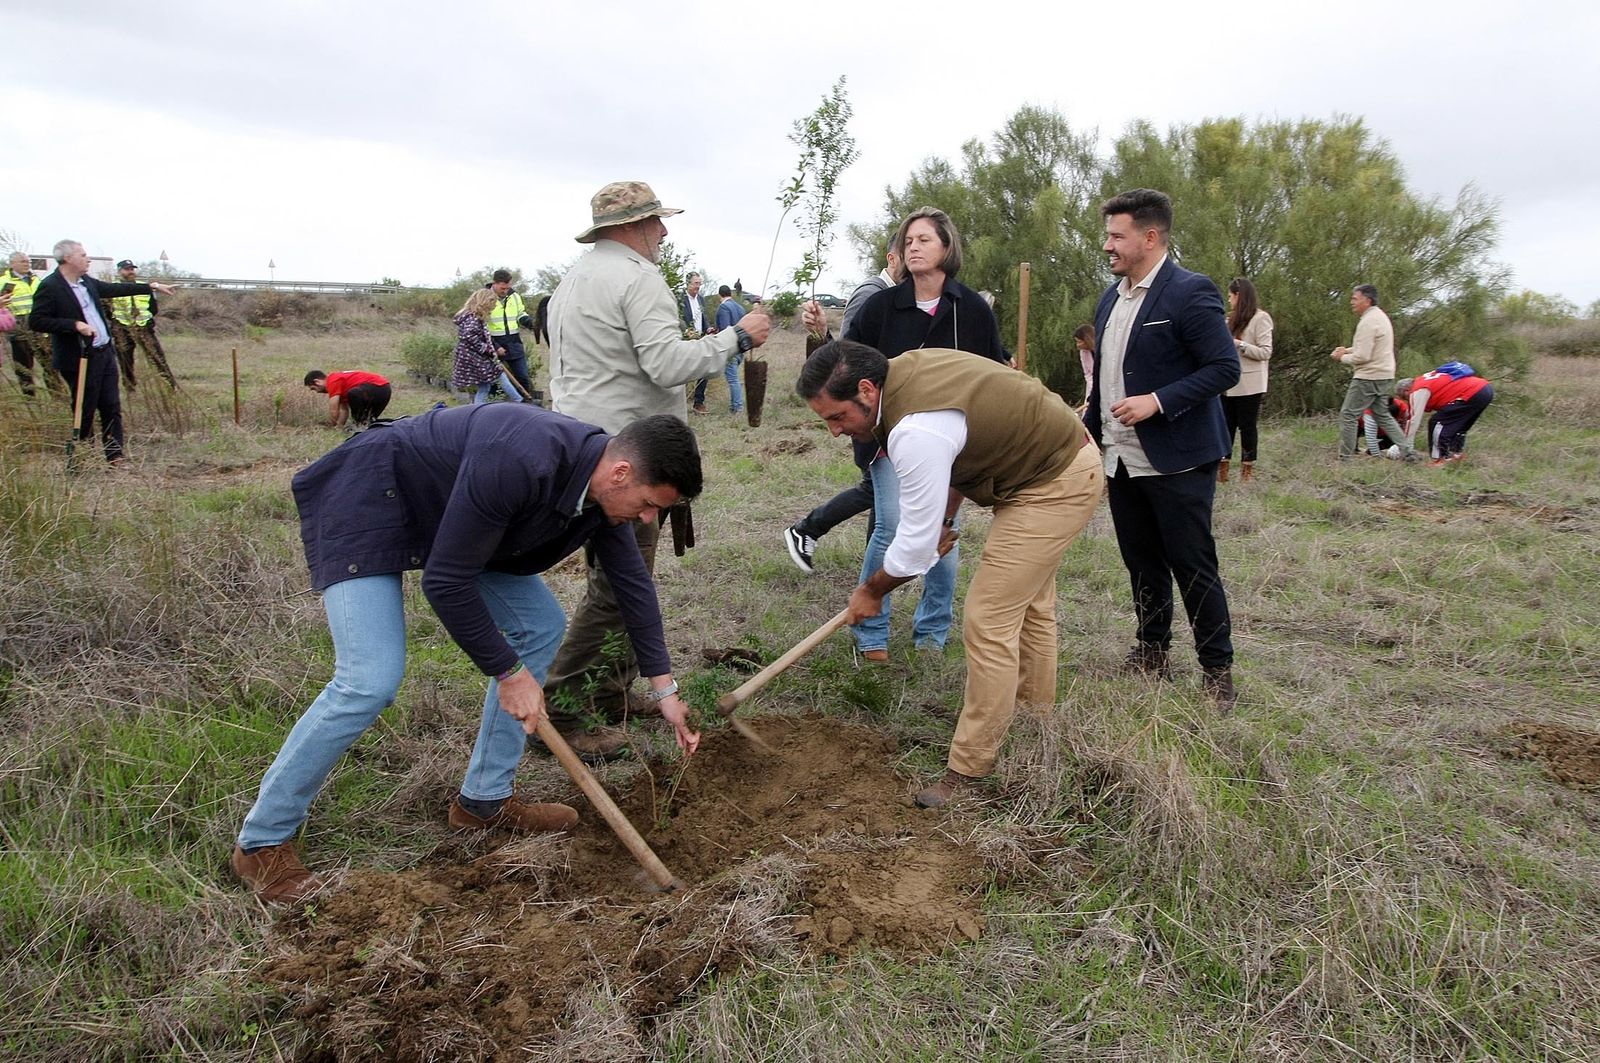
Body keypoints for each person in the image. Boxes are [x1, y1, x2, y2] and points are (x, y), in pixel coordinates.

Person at [230, 407, 705, 904]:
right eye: (650, 504)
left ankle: (484, 801)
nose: (650, 518)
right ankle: (262, 842)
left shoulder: (599, 492)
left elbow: (633, 585)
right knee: (369, 679)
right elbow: (446, 582)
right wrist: (508, 672)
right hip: (369, 495)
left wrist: (664, 689)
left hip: (456, 518)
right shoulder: (521, 461)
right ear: (621, 472)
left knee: (538, 624)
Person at [799, 341, 1102, 807]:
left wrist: (872, 591)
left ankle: (970, 770)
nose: (837, 433)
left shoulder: (913, 429)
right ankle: (1032, 724)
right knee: (1031, 609)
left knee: (988, 620)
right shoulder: (900, 374)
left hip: (1053, 482)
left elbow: (913, 546)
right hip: (1051, 462)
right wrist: (943, 520)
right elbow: (960, 458)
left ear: (865, 389)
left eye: (838, 417)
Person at [544, 180, 771, 758]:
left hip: (581, 450)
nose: (665, 234)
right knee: (618, 586)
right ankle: (562, 711)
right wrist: (735, 338)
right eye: (656, 223)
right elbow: (667, 364)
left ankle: (613, 693)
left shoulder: (575, 277)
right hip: (626, 461)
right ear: (631, 228)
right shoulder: (639, 278)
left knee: (625, 579)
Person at [801, 207, 1008, 661]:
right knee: (894, 525)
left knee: (941, 529)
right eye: (908, 241)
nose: (913, 247)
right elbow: (845, 362)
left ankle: (931, 635)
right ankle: (872, 636)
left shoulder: (969, 308)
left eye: (924, 240)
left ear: (947, 248)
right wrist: (822, 334)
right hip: (887, 436)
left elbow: (995, 369)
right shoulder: (882, 306)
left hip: (956, 441)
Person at [1085, 189, 1240, 709]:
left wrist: (1158, 401)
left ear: (1150, 238)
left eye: (1116, 235)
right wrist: (1088, 430)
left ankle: (1217, 670)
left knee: (1192, 563)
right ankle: (1152, 650)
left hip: (1177, 455)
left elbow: (1224, 369)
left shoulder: (1190, 292)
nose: (1107, 245)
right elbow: (1106, 378)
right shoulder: (1111, 297)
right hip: (1120, 458)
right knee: (1141, 561)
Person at [783, 239, 902, 575]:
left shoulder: (906, 297)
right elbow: (846, 364)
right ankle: (873, 595)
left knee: (879, 497)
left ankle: (808, 531)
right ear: (893, 257)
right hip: (870, 416)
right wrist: (823, 334)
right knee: (885, 511)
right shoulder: (872, 294)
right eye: (911, 249)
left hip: (892, 416)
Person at [29, 239, 176, 465]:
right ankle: (82, 455)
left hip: (104, 353)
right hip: (78, 358)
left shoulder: (86, 281)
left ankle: (114, 455)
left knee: (111, 405)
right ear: (67, 258)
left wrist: (152, 286)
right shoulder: (51, 287)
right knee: (85, 407)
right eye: (82, 255)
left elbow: (113, 289)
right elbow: (37, 321)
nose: (87, 259)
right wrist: (74, 325)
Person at [1333, 284, 1417, 462]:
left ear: (1367, 300)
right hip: (1384, 375)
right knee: (1382, 415)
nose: (1351, 302)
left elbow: (1363, 356)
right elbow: (1366, 347)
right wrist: (1346, 351)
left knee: (1348, 415)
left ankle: (1344, 459)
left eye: (1355, 298)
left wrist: (1341, 358)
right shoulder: (1379, 316)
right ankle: (1408, 452)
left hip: (1368, 377)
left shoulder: (1368, 321)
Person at [1219, 277, 1273, 482]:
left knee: (1247, 427)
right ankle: (1222, 470)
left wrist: (1240, 344)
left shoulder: (1261, 318)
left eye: (1231, 296)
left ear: (1239, 296)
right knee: (1225, 426)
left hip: (1250, 384)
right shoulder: (1229, 319)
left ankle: (1246, 472)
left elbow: (1266, 352)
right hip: (1228, 383)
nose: (1229, 300)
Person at [1396, 362, 1494, 465]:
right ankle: (1456, 454)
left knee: (1437, 422)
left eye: (1405, 397)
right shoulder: (1426, 379)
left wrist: (1405, 446)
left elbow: (1413, 420)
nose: (1408, 401)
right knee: (1459, 426)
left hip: (1471, 392)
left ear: (1406, 391)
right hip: (1485, 388)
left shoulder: (1418, 390)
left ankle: (1439, 459)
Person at [107, 259, 179, 391]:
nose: (130, 272)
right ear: (119, 271)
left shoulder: (143, 286)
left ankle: (170, 386)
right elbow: (107, 309)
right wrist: (116, 322)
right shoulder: (113, 288)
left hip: (144, 328)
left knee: (157, 357)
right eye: (127, 269)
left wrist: (147, 320)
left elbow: (153, 308)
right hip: (122, 328)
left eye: (132, 269)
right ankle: (129, 387)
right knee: (125, 361)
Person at [1, 250, 60, 397]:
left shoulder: (36, 279)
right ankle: (29, 397)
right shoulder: (5, 282)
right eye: (22, 261)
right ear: (12, 264)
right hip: (19, 331)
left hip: (40, 328)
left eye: (28, 261)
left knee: (49, 363)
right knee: (24, 367)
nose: (27, 264)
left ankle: (57, 394)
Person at [451, 287, 520, 404]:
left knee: (486, 385)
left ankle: (477, 409)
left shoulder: (473, 317)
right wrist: (486, 348)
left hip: (476, 357)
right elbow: (468, 336)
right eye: (492, 303)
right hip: (475, 358)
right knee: (496, 377)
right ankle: (518, 400)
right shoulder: (473, 319)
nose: (493, 307)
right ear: (484, 302)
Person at [486, 269, 536, 397]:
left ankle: (526, 406)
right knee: (494, 382)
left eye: (508, 288)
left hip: (514, 343)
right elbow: (480, 326)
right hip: (493, 344)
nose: (505, 291)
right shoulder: (484, 297)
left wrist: (532, 324)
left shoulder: (515, 296)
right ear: (494, 283)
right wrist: (495, 346)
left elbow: (521, 314)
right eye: (502, 288)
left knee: (523, 377)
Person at [303, 368, 392, 427]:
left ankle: (357, 425)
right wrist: (339, 428)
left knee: (353, 394)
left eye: (314, 389)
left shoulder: (332, 381)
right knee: (367, 423)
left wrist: (330, 425)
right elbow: (343, 410)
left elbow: (334, 410)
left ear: (317, 382)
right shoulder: (340, 386)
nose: (317, 392)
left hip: (377, 387)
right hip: (384, 390)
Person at [682, 273, 714, 413]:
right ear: (688, 283)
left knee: (705, 370)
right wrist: (686, 331)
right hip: (685, 341)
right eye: (696, 283)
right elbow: (678, 318)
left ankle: (698, 402)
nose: (698, 287)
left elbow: (703, 317)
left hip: (701, 339)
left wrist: (708, 328)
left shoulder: (701, 299)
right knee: (683, 372)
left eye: (700, 284)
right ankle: (679, 403)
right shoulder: (680, 299)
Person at [713, 284, 747, 414]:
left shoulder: (723, 307)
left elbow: (725, 329)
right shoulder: (740, 308)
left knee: (733, 379)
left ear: (719, 295)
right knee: (734, 377)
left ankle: (737, 407)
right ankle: (735, 405)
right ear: (730, 294)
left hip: (731, 348)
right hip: (741, 347)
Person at [1073, 324, 1097, 411]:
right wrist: (1094, 389)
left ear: (1087, 340)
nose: (1077, 345)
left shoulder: (1104, 348)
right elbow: (1088, 373)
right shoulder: (1083, 352)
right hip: (1093, 387)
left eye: (1079, 342)